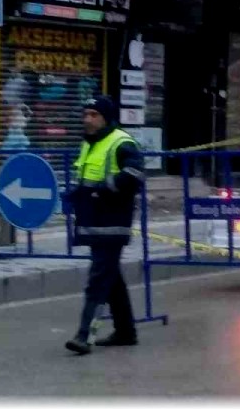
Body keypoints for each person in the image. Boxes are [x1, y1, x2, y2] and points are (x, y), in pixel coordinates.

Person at [64, 96, 146, 355]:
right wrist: (77, 193)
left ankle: (84, 336)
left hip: (112, 224)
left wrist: (105, 189)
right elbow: (89, 179)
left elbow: (134, 175)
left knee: (98, 280)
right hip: (94, 222)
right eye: (86, 114)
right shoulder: (90, 144)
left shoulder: (121, 142)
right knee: (111, 279)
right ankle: (125, 331)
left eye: (93, 114)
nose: (87, 119)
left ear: (106, 118)